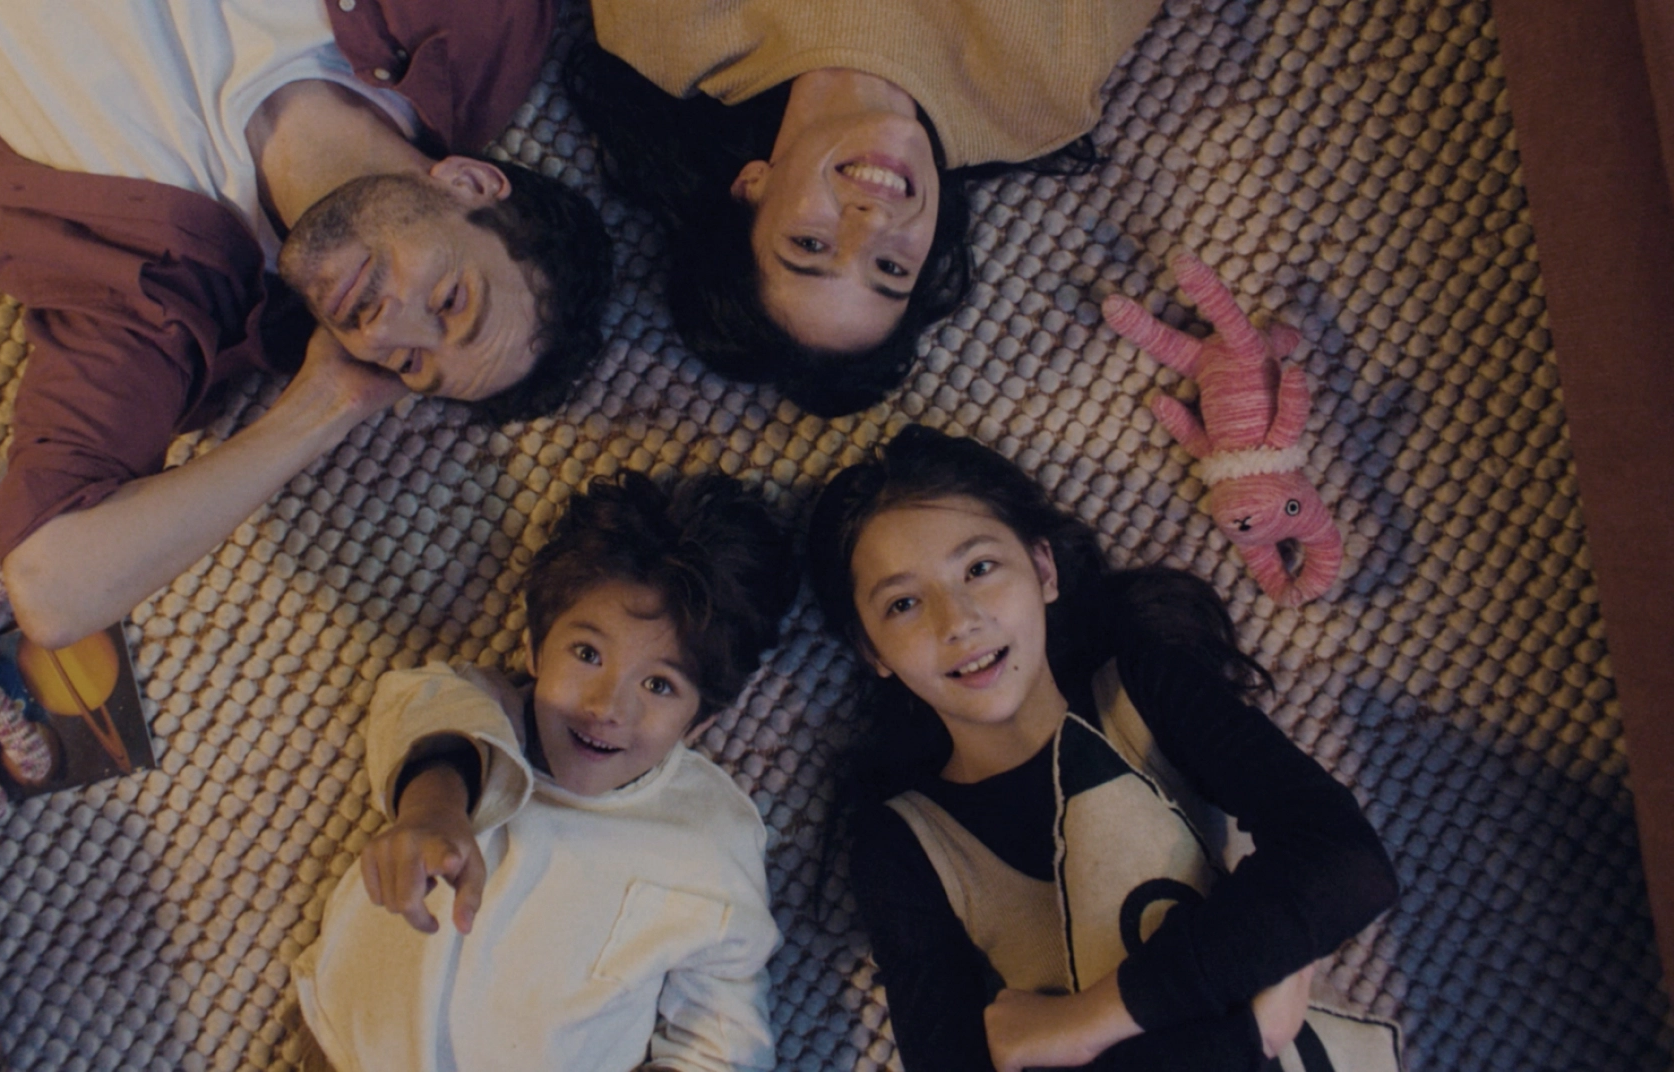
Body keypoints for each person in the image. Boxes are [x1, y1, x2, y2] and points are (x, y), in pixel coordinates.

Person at [0, 0, 613, 649]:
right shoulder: (477, 27)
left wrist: (322, 408)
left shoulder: (158, 297)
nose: (394, 325)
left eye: (410, 367)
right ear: (470, 184)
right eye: (452, 303)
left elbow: (52, 589)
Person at [805, 425, 1401, 1071]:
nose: (959, 621)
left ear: (1043, 569)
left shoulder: (1146, 691)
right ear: (872, 652)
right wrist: (1245, 1037)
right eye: (903, 604)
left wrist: (1083, 1023)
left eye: (980, 568)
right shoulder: (907, 847)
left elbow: (1347, 865)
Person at [293, 471, 800, 1071]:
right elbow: (435, 724)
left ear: (701, 722)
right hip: (347, 1051)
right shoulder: (484, 709)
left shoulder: (711, 837)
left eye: (659, 685)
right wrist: (433, 811)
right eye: (587, 655)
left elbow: (723, 1029)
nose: (608, 707)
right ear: (535, 647)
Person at [566, 0, 1158, 416]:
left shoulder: (666, 28)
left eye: (810, 245)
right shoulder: (1041, 90)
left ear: (751, 188)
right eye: (890, 270)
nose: (872, 224)